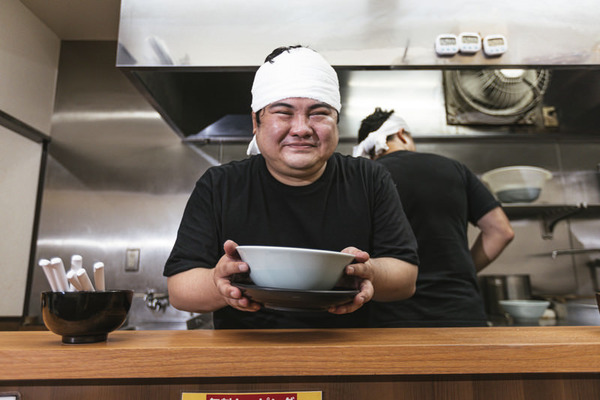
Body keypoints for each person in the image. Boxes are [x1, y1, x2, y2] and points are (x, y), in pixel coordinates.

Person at [164, 47, 419, 329]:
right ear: (255, 122)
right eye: (283, 113)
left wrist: (369, 272)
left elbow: (405, 278)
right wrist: (218, 281)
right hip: (244, 359)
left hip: (348, 357)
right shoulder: (220, 185)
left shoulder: (369, 178)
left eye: (319, 113)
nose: (301, 128)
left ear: (336, 121)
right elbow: (179, 288)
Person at [354, 108, 514, 327]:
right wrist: (463, 271)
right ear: (402, 134)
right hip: (461, 310)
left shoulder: (364, 178)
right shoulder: (454, 168)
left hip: (391, 316)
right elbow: (501, 232)